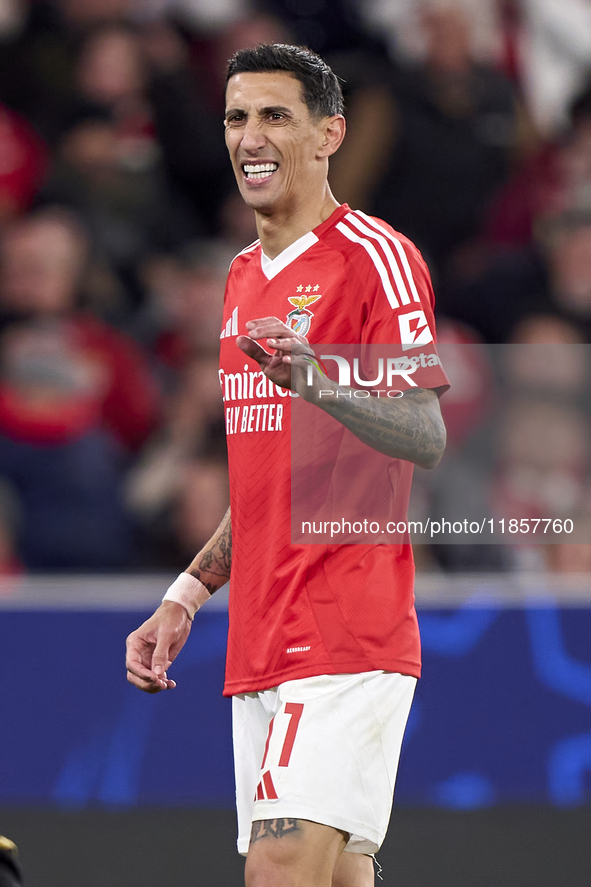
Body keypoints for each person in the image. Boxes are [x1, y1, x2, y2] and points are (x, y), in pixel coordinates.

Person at [126, 43, 448, 887]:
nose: (249, 136)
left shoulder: (374, 257)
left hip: (343, 624)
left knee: (277, 870)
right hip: (261, 633)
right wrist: (186, 595)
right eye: (236, 117)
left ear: (327, 134)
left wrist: (321, 380)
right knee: (338, 877)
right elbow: (265, 477)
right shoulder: (240, 279)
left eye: (275, 115)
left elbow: (423, 432)